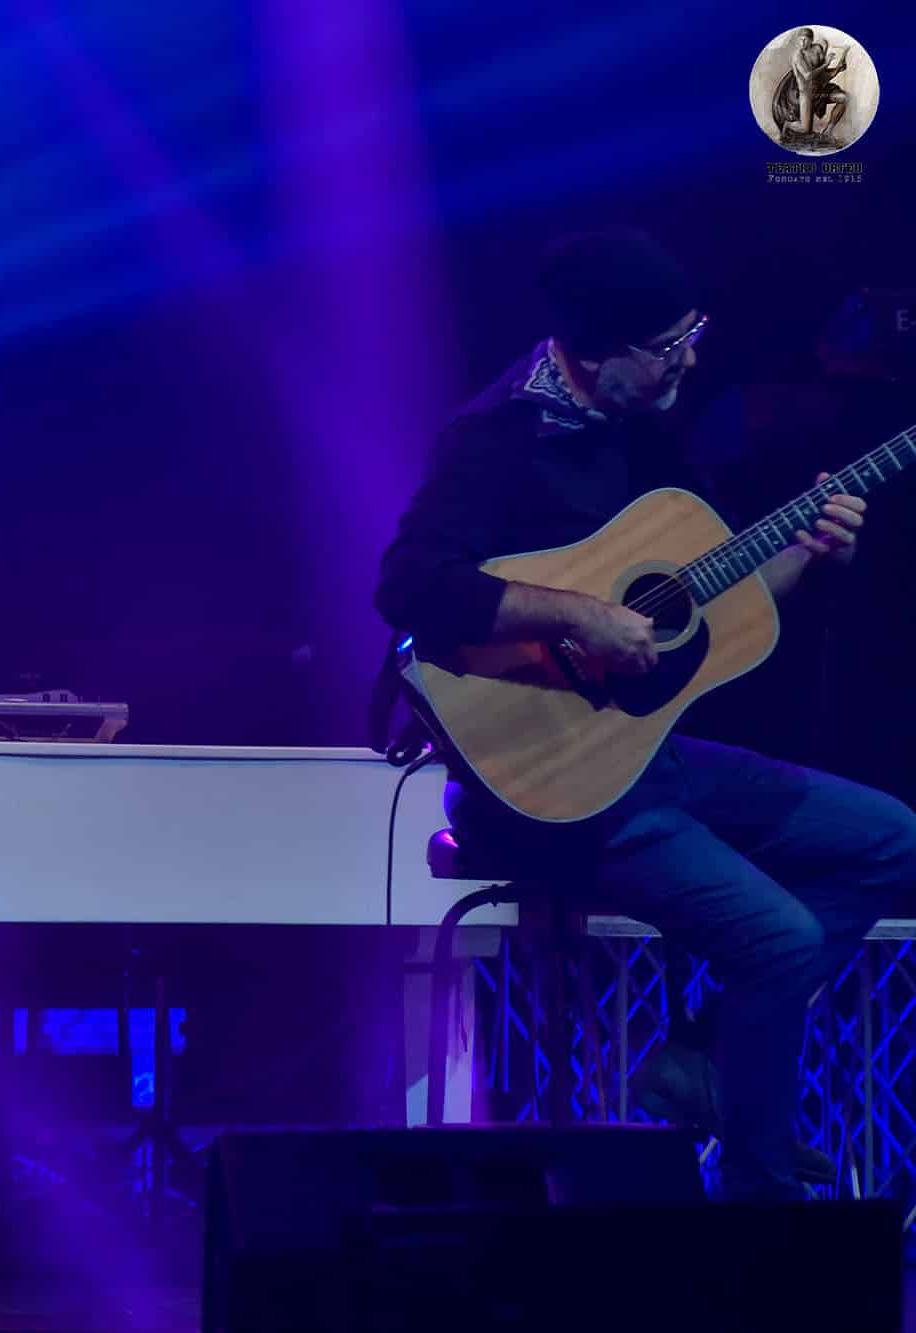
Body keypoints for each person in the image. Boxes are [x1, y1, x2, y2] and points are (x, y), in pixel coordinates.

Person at [374, 226, 915, 1200]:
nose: (689, 362)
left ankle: (703, 1058)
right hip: (543, 789)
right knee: (781, 938)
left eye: (692, 336)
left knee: (891, 838)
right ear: (596, 354)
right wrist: (577, 613)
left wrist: (804, 553)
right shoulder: (493, 438)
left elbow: (708, 606)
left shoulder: (644, 425)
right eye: (668, 347)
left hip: (640, 756)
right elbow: (409, 587)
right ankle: (759, 1204)